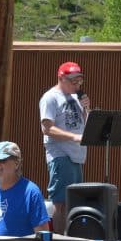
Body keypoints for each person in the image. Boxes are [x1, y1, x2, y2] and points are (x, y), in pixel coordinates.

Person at [40, 61, 90, 229]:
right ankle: (58, 240)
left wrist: (85, 109)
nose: (77, 85)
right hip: (61, 155)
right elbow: (47, 128)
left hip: (76, 157)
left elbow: (82, 124)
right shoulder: (51, 97)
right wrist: (74, 137)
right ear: (61, 78)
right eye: (73, 81)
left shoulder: (76, 98)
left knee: (73, 202)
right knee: (60, 202)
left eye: (79, 81)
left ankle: (69, 239)